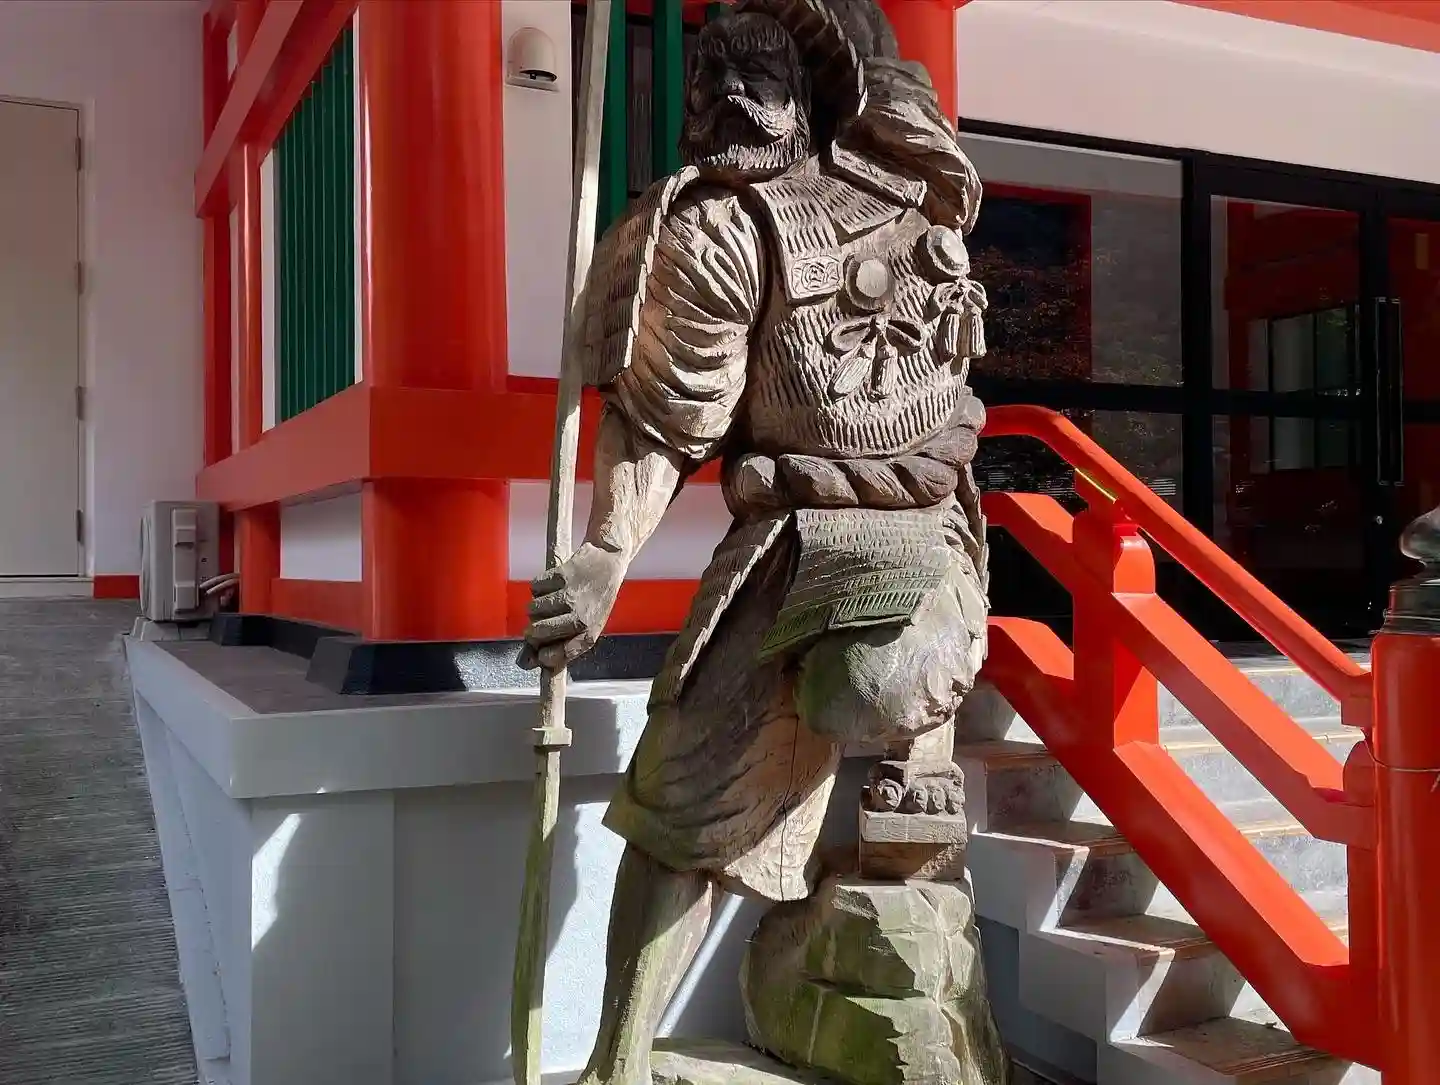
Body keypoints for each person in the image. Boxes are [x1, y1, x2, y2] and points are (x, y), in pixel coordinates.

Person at [520, 3, 994, 1081]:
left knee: (870, 685)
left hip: (921, 518)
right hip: (787, 528)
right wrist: (605, 555)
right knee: (675, 791)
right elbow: (666, 419)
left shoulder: (908, 195)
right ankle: (616, 1058)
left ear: (811, 91)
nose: (731, 96)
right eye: (710, 76)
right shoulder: (718, 232)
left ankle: (920, 742)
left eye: (760, 74)